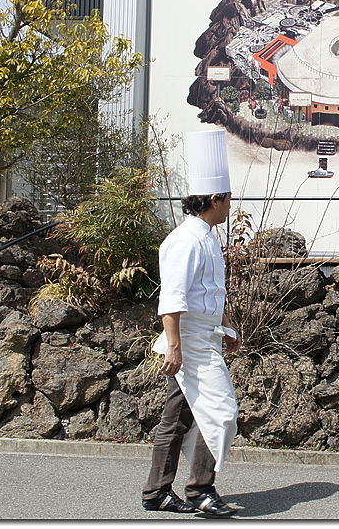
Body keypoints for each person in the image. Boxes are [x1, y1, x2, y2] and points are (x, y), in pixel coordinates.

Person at [142, 130, 241, 518]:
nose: (231, 204)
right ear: (215, 199)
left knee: (179, 415)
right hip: (189, 340)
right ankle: (200, 488)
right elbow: (174, 296)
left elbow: (210, 290)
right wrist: (175, 345)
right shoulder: (185, 240)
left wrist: (226, 325)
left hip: (203, 336)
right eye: (229, 198)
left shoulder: (205, 236)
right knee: (221, 411)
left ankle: (157, 492)